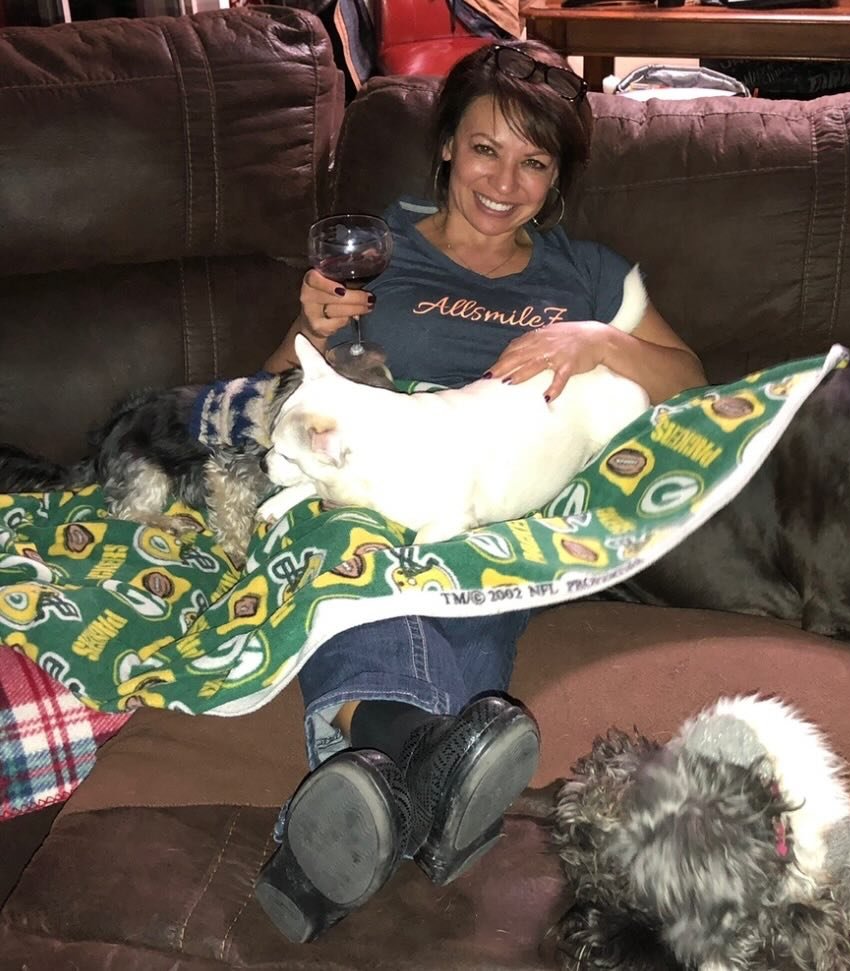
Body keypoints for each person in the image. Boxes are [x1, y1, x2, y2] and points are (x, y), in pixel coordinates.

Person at [253, 40, 708, 944]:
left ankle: (379, 764)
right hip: (373, 484)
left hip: (503, 498)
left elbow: (694, 385)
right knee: (361, 543)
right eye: (485, 149)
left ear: (558, 178)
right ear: (447, 147)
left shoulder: (587, 274)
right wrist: (307, 325)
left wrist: (600, 340)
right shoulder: (379, 252)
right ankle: (420, 758)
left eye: (534, 162)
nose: (504, 182)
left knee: (478, 570)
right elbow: (274, 403)